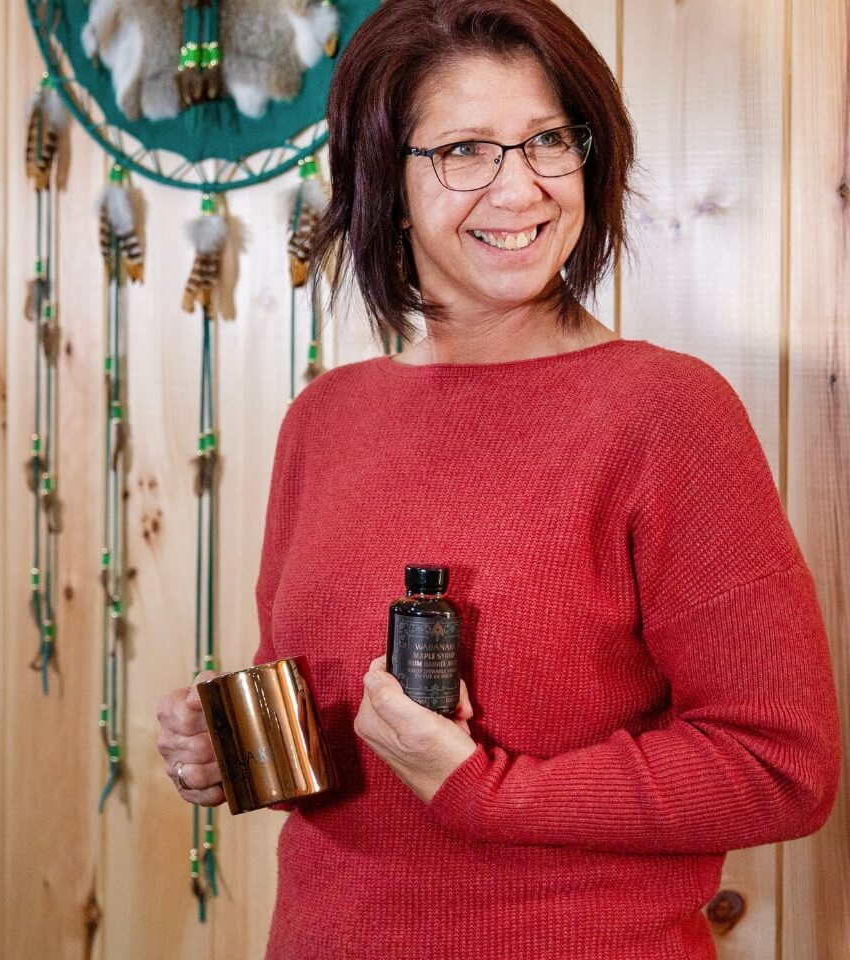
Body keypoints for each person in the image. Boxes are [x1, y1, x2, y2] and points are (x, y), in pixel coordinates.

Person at [156, 1, 842, 957]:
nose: (518, 189)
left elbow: (781, 767)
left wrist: (485, 790)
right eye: (465, 150)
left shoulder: (667, 413)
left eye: (547, 141)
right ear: (384, 185)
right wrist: (241, 748)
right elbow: (350, 750)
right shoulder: (324, 420)